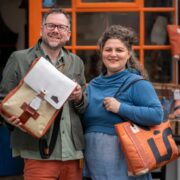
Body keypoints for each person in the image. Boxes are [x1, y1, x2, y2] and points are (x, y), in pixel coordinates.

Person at [0, 8, 87, 180]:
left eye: (61, 27)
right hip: (37, 151)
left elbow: (83, 106)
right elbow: (3, 99)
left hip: (72, 151)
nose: (56, 30)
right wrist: (7, 117)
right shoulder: (19, 58)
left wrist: (79, 97)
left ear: (68, 33)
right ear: (42, 30)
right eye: (51, 25)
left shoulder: (76, 62)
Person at [82, 25, 163, 180]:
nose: (113, 54)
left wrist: (120, 108)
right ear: (101, 52)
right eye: (108, 49)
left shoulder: (137, 84)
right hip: (94, 168)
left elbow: (157, 115)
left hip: (125, 170)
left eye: (119, 50)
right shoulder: (91, 86)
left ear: (128, 54)